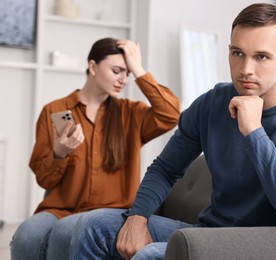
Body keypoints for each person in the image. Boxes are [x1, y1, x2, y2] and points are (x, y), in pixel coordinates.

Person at [69, 3, 276, 260]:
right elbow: (165, 168)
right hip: (210, 235)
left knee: (151, 255)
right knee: (95, 226)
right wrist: (138, 217)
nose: (245, 70)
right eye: (237, 53)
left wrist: (254, 133)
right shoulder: (212, 103)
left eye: (261, 57)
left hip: (264, 244)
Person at [9, 37, 180, 260]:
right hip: (61, 209)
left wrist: (139, 69)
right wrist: (59, 152)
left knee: (66, 232)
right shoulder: (58, 111)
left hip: (113, 210)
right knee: (27, 234)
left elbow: (171, 113)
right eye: (117, 70)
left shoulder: (131, 114)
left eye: (127, 73)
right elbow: (45, 180)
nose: (123, 79)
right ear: (92, 67)